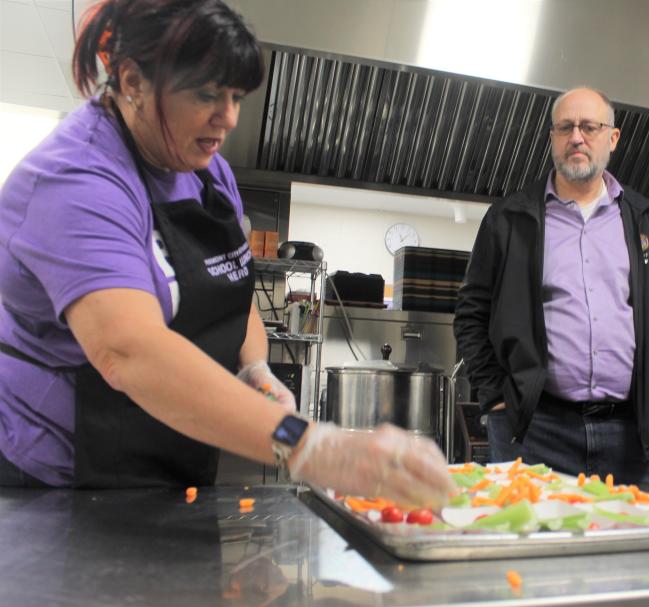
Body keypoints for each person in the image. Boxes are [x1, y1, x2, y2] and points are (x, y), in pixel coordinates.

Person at [0, 0, 454, 505]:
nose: (229, 118)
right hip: (60, 482)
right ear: (131, 81)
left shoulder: (204, 167)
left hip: (174, 463)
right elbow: (129, 352)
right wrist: (311, 446)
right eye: (207, 94)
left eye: (237, 96)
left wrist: (254, 368)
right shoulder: (76, 181)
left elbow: (233, 293)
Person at [454, 87, 649, 486]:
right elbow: (471, 314)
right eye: (565, 127)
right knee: (532, 546)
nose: (576, 137)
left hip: (637, 436)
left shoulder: (644, 219)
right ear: (552, 139)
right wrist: (495, 396)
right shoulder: (510, 220)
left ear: (612, 138)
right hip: (536, 433)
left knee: (640, 547)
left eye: (589, 127)